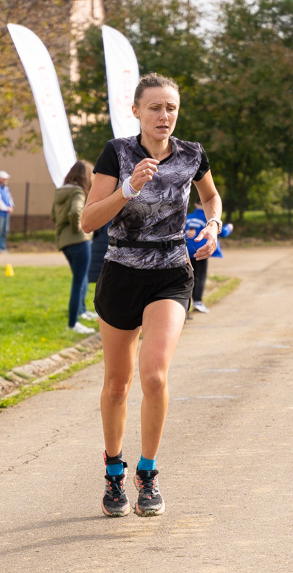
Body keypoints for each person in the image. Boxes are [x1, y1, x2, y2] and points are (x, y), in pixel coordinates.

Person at [81, 72, 223, 518]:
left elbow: (211, 196)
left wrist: (213, 225)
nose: (165, 116)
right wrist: (128, 189)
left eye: (172, 108)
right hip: (121, 271)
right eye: (156, 107)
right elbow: (88, 221)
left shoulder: (192, 154)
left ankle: (148, 472)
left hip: (170, 272)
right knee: (117, 384)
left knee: (155, 375)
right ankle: (113, 472)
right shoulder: (117, 153)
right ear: (137, 111)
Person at [51, 160, 97, 335]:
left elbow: (53, 216)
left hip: (64, 242)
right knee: (78, 281)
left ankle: (82, 311)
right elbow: (75, 211)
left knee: (81, 277)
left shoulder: (60, 191)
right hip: (79, 241)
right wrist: (79, 226)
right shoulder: (78, 191)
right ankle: (73, 323)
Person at [186, 198, 233, 313]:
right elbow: (222, 232)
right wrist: (230, 227)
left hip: (186, 251)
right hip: (202, 250)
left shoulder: (187, 217)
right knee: (200, 276)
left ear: (195, 204)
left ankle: (185, 305)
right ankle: (198, 302)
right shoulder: (208, 219)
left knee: (188, 277)